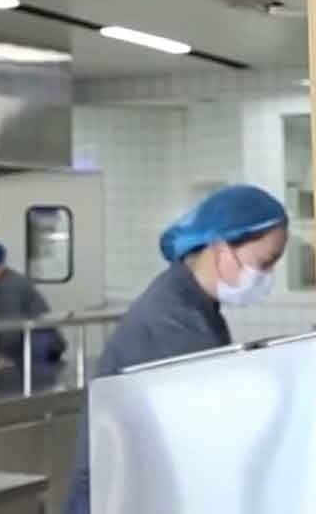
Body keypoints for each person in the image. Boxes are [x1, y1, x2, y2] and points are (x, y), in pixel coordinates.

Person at [64, 184, 288, 514]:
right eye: (265, 263)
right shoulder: (173, 320)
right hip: (116, 498)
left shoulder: (194, 303)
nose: (267, 276)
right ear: (222, 249)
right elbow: (208, 429)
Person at [0, 242, 64, 370]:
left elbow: (11, 328)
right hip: (37, 343)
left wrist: (0, 356)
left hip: (40, 347)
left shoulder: (9, 288)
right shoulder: (8, 281)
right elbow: (2, 323)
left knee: (32, 379)